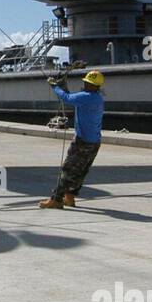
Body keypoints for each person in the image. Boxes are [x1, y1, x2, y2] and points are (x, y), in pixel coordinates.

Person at [40, 70, 105, 209]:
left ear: (94, 86)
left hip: (83, 142)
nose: (85, 84)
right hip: (95, 142)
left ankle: (56, 199)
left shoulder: (86, 97)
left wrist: (54, 86)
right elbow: (73, 97)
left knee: (67, 169)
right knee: (81, 171)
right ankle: (69, 197)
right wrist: (63, 86)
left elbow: (67, 98)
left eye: (88, 83)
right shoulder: (98, 98)